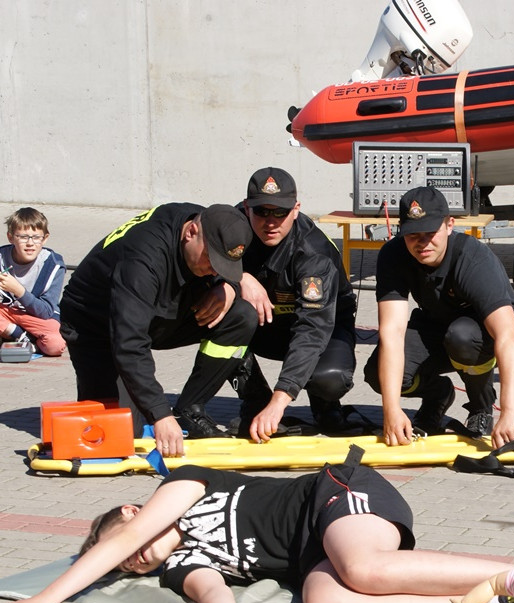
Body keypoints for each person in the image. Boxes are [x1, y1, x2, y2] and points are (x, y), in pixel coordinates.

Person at [0, 459, 514, 603]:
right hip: (314, 556)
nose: (130, 558)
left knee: (365, 569)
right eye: (125, 564)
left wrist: (45, 602)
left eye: (115, 545)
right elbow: (210, 592)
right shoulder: (180, 564)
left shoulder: (185, 485)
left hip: (334, 495)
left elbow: (134, 537)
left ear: (132, 511)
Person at [60, 204, 258, 457]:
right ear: (191, 232)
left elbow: (228, 256)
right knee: (117, 435)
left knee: (240, 315)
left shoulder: (210, 223)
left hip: (157, 310)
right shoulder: (142, 261)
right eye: (211, 259)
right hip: (97, 328)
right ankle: (160, 415)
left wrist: (230, 284)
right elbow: (130, 343)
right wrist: (160, 415)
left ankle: (190, 409)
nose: (215, 269)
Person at [364, 186, 514, 448]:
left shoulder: (472, 258)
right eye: (413, 234)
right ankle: (438, 394)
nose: (423, 242)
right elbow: (392, 332)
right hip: (435, 326)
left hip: (479, 333)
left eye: (431, 233)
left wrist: (509, 413)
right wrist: (391, 410)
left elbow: (508, 336)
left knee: (461, 337)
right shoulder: (393, 255)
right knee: (376, 374)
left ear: (449, 225)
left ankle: (481, 407)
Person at [225, 167, 359, 442]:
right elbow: (196, 254)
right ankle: (254, 401)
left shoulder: (313, 254)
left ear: (296, 209)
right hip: (265, 323)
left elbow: (312, 330)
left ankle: (325, 405)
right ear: (247, 207)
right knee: (216, 311)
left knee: (330, 379)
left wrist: (281, 399)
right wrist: (239, 277)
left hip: (324, 326)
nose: (270, 222)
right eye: (262, 211)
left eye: (280, 213)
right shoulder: (229, 226)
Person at [1, 207, 67, 357]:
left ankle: (23, 340)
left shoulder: (53, 264)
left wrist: (19, 290)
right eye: (23, 237)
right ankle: (22, 337)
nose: (30, 243)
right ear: (11, 237)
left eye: (36, 237)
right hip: (6, 313)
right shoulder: (1, 257)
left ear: (45, 238)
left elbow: (46, 311)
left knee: (55, 346)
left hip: (37, 317)